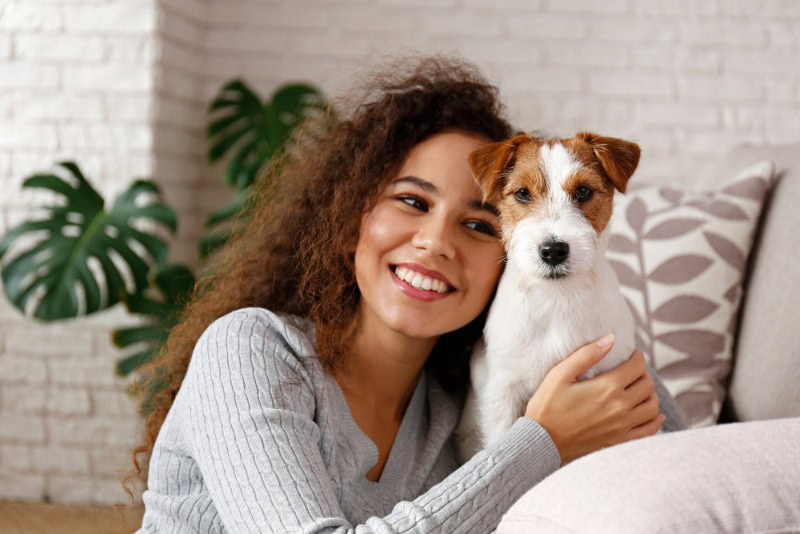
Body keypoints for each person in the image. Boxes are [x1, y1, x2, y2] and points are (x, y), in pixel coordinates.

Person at [124, 56, 686, 533]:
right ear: (350, 219)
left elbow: (683, 454)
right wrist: (540, 442)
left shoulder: (460, 402)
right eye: (413, 202)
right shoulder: (251, 350)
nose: (436, 243)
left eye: (479, 225)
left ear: (510, 261)